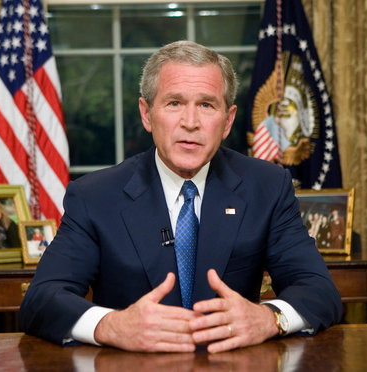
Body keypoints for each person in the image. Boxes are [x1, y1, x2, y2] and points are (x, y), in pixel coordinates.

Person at [18, 40, 342, 353]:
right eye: (174, 103)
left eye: (206, 105)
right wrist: (112, 325)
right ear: (147, 114)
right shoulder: (95, 196)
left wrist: (270, 318)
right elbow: (42, 299)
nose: (190, 123)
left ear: (227, 121)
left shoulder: (267, 187)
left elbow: (319, 292)